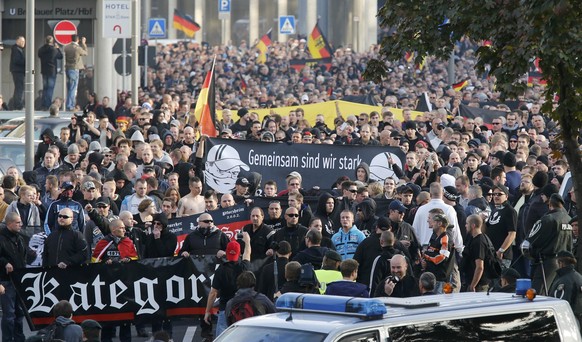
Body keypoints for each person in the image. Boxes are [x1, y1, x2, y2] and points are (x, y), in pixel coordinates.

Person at [204, 233, 251, 337]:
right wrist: (247, 242)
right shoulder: (244, 267)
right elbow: (247, 254)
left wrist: (208, 311)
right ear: (239, 254)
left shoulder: (221, 270)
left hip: (225, 310)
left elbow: (213, 293)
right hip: (242, 310)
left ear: (227, 253)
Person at [527, 193, 573, 295]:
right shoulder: (569, 219)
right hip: (566, 262)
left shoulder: (548, 219)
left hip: (548, 262)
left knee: (538, 293)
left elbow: (532, 239)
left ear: (550, 205)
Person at [0, 212, 32, 342]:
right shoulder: (1, 238)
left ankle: (20, 339)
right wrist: (4, 262)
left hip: (20, 280)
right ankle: (7, 339)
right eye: (18, 222)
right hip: (6, 280)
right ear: (9, 224)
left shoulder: (20, 237)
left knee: (20, 313)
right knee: (9, 315)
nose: (21, 225)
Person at [548, 250, 582, 326]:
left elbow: (560, 305)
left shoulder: (563, 281)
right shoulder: (579, 277)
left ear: (561, 263)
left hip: (568, 322)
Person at [461, 214, 491, 292]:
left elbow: (480, 267)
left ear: (473, 225)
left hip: (479, 285)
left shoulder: (479, 242)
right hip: (472, 282)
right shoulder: (474, 239)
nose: (465, 225)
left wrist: (473, 285)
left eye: (467, 223)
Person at [37, 35, 62, 110]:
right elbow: (60, 56)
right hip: (52, 71)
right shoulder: (54, 50)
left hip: (44, 71)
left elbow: (39, 55)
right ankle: (47, 105)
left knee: (45, 88)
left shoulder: (41, 49)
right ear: (52, 42)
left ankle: (43, 104)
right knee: (50, 88)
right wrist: (58, 48)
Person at [64, 35, 87, 111]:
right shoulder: (77, 48)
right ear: (78, 40)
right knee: (73, 88)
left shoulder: (66, 47)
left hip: (68, 68)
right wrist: (84, 44)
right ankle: (70, 105)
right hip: (74, 69)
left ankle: (69, 104)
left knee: (70, 88)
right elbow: (85, 53)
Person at [10, 36, 25, 110]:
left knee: (19, 88)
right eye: (21, 41)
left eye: (24, 41)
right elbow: (17, 60)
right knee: (19, 88)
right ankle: (18, 105)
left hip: (18, 71)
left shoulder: (19, 49)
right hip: (18, 71)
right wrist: (26, 62)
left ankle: (17, 104)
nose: (23, 43)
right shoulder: (16, 49)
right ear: (17, 41)